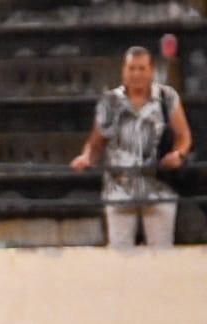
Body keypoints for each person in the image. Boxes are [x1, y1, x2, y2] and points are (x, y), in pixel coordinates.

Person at [70, 46, 193, 248]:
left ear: (152, 70)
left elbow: (184, 135)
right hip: (120, 188)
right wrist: (87, 157)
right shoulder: (110, 101)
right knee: (120, 254)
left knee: (160, 253)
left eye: (141, 68)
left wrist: (178, 154)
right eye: (131, 68)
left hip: (158, 186)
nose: (136, 74)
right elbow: (96, 142)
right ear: (123, 70)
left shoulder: (167, 97)